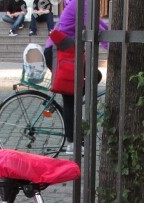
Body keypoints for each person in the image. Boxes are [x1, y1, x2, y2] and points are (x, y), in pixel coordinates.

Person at [44, 0, 108, 154]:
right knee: (70, 100)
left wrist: (115, 37)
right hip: (59, 53)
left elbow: (99, 23)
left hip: (68, 53)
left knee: (94, 77)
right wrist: (113, 46)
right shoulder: (82, 3)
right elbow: (95, 27)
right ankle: (72, 143)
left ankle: (76, 133)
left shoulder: (84, 3)